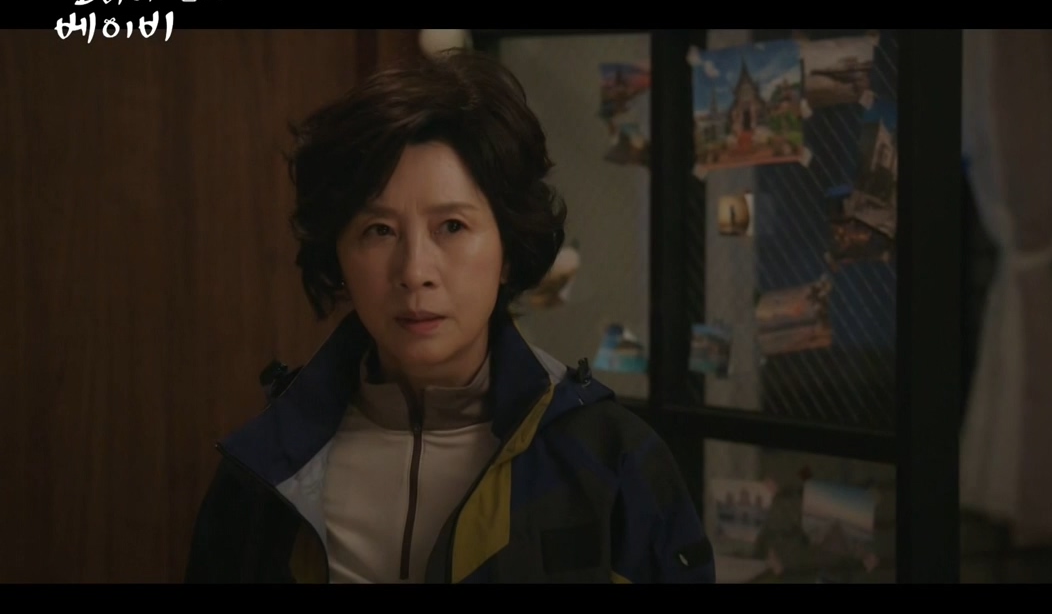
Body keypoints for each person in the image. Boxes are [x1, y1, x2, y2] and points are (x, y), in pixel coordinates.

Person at [183, 49, 715, 584]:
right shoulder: (268, 467)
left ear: (508, 250)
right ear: (338, 257)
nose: (415, 272)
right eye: (379, 231)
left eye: (452, 227)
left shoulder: (609, 462)